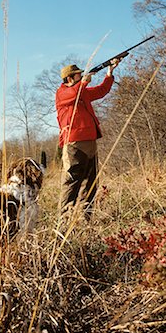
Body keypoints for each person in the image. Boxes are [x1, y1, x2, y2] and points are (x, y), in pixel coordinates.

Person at [55, 60, 120, 217]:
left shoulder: (81, 91)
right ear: (69, 79)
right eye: (79, 75)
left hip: (90, 142)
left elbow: (101, 91)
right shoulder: (62, 93)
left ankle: (86, 217)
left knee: (90, 183)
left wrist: (109, 72)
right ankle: (64, 218)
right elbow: (73, 94)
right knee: (72, 181)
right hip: (74, 144)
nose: (82, 76)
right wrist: (83, 83)